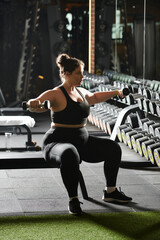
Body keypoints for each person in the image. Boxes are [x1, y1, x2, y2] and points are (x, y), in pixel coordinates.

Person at [27, 53, 132, 215]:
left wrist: (117, 92)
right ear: (67, 74)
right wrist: (32, 104)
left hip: (81, 142)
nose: (83, 76)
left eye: (82, 72)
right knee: (70, 153)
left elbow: (95, 97)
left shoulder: (81, 91)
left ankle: (110, 191)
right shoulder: (55, 93)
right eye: (79, 73)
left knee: (113, 148)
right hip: (57, 143)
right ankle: (73, 200)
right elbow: (37, 104)